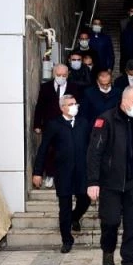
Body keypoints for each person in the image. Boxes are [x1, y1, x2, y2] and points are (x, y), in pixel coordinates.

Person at [87, 85, 133, 265]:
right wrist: (93, 181)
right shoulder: (105, 120)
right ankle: (107, 250)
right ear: (124, 102)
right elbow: (94, 152)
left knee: (132, 226)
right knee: (111, 222)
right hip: (110, 183)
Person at [32, 95, 91, 253]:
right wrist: (37, 172)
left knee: (85, 199)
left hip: (82, 171)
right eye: (70, 104)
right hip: (63, 172)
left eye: (75, 103)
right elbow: (43, 149)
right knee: (64, 206)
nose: (74, 106)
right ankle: (67, 240)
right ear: (62, 107)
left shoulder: (84, 123)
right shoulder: (53, 125)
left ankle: (75, 217)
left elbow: (92, 146)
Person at [33, 64, 79, 187]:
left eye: (64, 75)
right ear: (54, 74)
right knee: (49, 149)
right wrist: (37, 124)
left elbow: (78, 106)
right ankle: (50, 175)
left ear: (68, 74)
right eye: (59, 75)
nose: (61, 77)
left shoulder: (74, 87)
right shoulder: (46, 87)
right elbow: (40, 106)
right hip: (50, 124)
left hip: (68, 123)